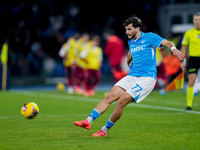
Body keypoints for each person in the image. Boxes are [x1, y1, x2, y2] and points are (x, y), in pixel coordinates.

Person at [73, 17, 185, 137]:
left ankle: (104, 130)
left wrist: (174, 49)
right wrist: (129, 63)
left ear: (137, 29)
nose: (126, 32)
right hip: (132, 76)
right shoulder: (131, 41)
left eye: (129, 29)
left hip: (146, 78)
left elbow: (167, 42)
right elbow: (131, 53)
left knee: (121, 101)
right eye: (126, 29)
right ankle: (88, 121)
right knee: (110, 96)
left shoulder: (150, 37)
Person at [180, 12, 200, 111]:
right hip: (193, 59)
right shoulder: (189, 33)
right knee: (191, 81)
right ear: (193, 21)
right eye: (196, 20)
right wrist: (182, 60)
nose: (198, 22)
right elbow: (184, 47)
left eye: (199, 20)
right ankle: (189, 105)